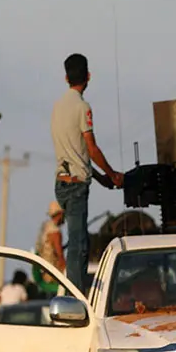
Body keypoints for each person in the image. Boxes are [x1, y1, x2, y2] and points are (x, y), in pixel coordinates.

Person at [51, 52, 123, 291]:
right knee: (79, 244)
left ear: (65, 78)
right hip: (76, 186)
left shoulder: (58, 107)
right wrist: (113, 175)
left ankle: (75, 291)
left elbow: (75, 153)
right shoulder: (83, 108)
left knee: (77, 241)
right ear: (88, 76)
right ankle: (76, 297)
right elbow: (90, 149)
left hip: (61, 182)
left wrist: (101, 178)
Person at [33, 201, 66, 296]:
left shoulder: (45, 226)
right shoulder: (55, 231)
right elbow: (59, 254)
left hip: (43, 270)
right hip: (51, 273)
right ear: (60, 214)